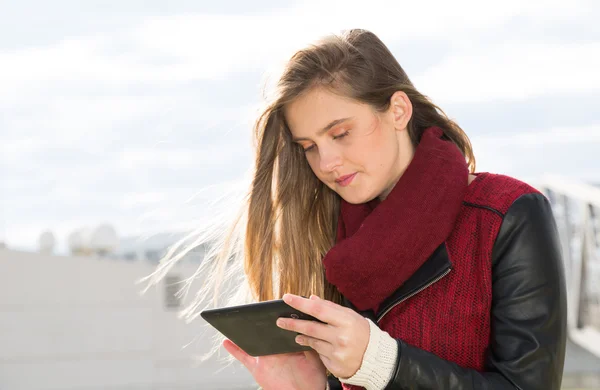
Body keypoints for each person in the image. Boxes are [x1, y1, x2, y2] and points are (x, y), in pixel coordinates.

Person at [151, 29, 567, 389]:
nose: (326, 162)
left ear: (399, 111)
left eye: (341, 133)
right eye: (310, 147)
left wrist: (384, 362)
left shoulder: (506, 214)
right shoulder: (324, 239)